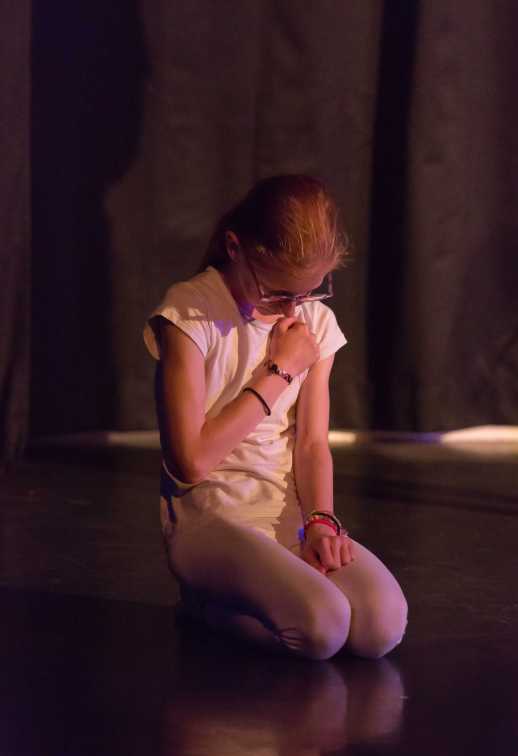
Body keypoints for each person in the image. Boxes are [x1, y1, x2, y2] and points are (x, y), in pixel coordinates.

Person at [143, 174, 408, 660]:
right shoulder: (191, 312)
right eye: (277, 292)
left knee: (380, 625)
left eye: (309, 293)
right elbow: (190, 462)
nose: (292, 309)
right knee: (323, 628)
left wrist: (321, 521)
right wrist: (280, 370)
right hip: (212, 519)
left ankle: (276, 591)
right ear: (235, 248)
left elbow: (311, 444)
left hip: (285, 515)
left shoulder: (315, 322)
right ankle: (203, 604)